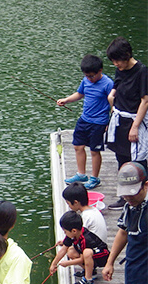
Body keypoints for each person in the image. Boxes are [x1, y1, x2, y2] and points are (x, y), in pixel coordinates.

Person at [58, 54, 114, 190]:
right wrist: (66, 100)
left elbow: (112, 103)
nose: (89, 78)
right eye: (87, 76)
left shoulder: (108, 83)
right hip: (85, 119)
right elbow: (80, 93)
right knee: (78, 146)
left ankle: (94, 178)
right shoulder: (85, 81)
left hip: (99, 122)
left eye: (92, 76)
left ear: (100, 71)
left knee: (95, 150)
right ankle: (81, 174)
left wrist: (109, 123)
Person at [105, 37, 148, 210]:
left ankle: (141, 196)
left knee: (137, 160)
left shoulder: (142, 71)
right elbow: (117, 85)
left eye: (117, 60)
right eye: (113, 61)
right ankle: (126, 196)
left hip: (133, 118)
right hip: (119, 118)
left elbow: (145, 101)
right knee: (121, 157)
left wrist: (135, 126)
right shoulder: (120, 69)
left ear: (127, 55)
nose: (116, 64)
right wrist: (111, 97)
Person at [49, 211, 110, 284]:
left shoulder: (86, 239)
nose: (65, 234)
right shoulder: (72, 235)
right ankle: (91, 272)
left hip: (102, 257)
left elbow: (82, 258)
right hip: (91, 256)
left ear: (74, 231)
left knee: (87, 253)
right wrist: (54, 264)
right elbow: (64, 249)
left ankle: (88, 280)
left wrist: (68, 263)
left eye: (65, 232)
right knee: (71, 251)